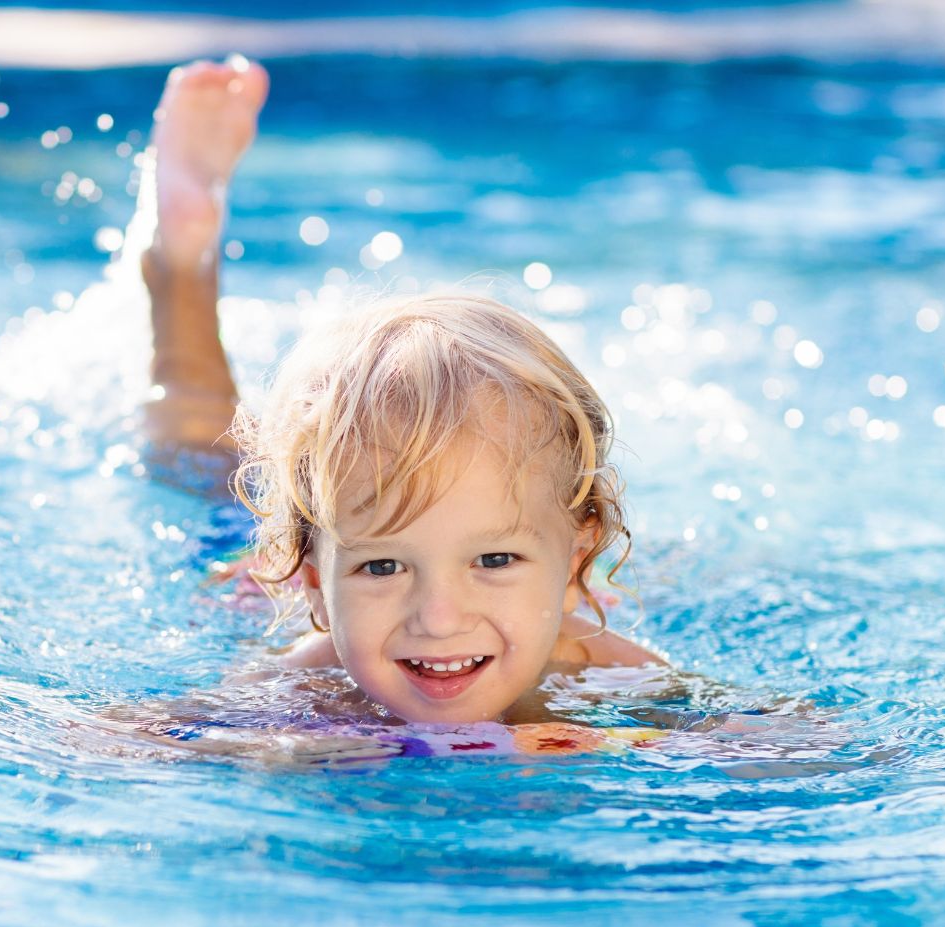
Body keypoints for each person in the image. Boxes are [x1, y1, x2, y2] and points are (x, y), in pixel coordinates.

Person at [139, 56, 665, 732]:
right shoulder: (304, 684)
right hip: (252, 570)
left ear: (576, 562)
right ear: (312, 587)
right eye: (382, 566)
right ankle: (179, 264)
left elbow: (792, 744)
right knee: (200, 456)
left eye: (495, 559)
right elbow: (119, 741)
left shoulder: (608, 674)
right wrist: (287, 756)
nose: (438, 618)